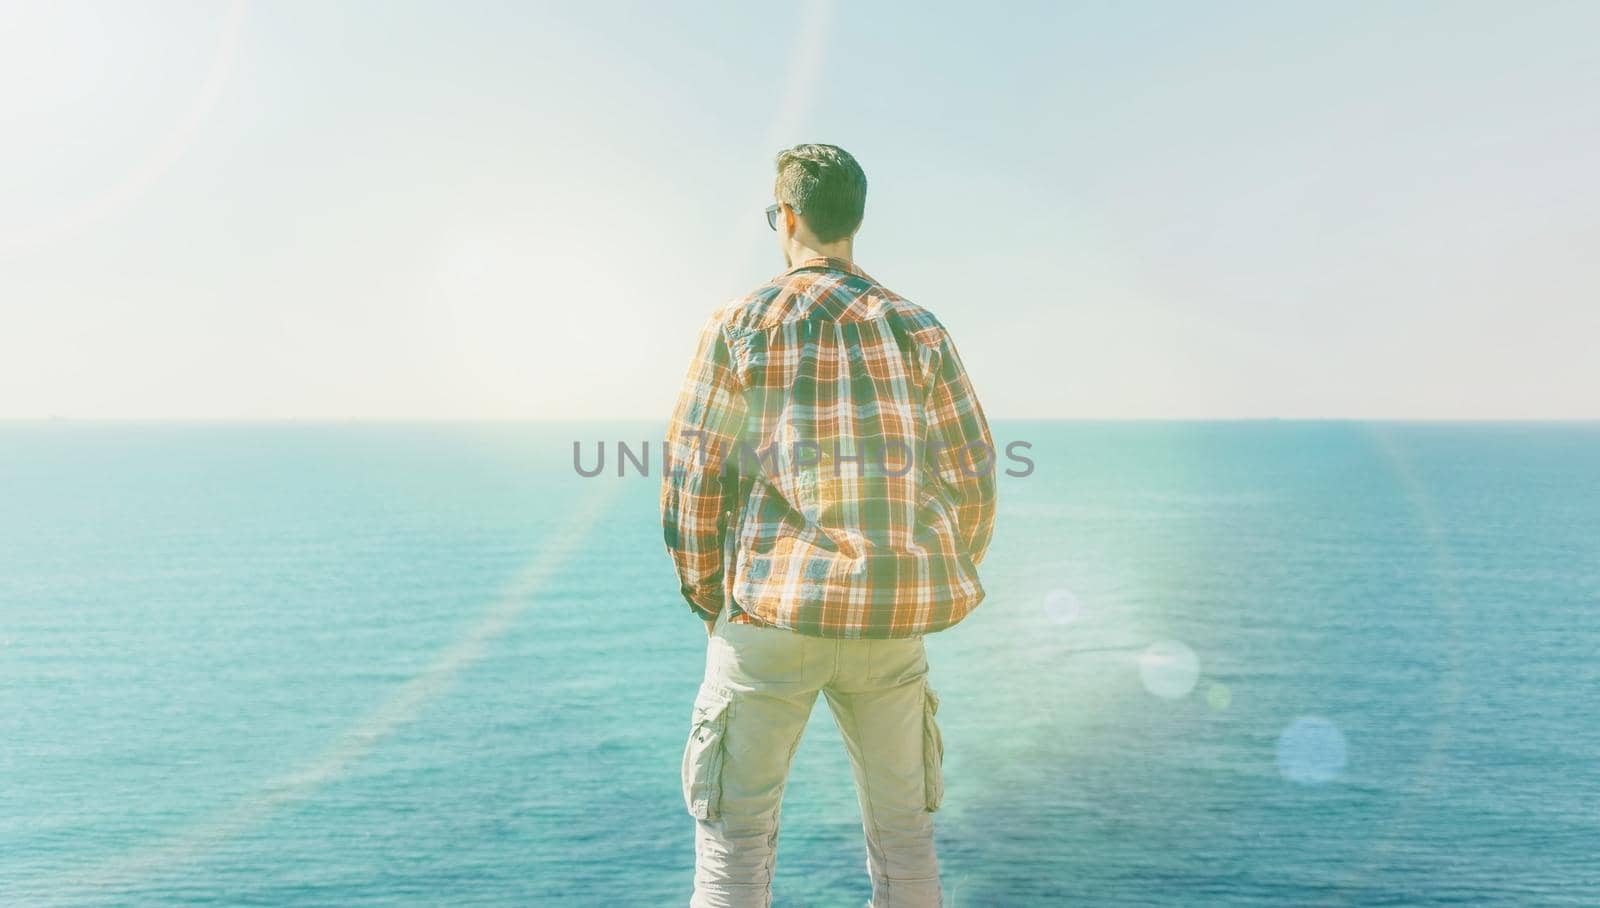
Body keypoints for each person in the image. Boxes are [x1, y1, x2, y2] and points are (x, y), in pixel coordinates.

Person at [661, 143, 997, 908]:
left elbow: (692, 479)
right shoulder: (919, 329)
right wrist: (922, 567)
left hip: (768, 612)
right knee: (904, 841)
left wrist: (713, 597)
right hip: (890, 620)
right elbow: (974, 472)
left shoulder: (741, 322)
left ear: (784, 217)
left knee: (735, 851)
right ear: (857, 220)